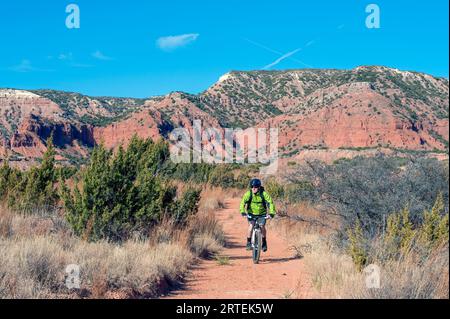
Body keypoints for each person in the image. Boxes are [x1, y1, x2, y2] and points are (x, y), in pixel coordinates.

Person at [239, 178, 276, 252]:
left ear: (259, 187)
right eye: (252, 187)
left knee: (262, 226)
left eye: (255, 187)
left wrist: (271, 213)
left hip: (262, 214)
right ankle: (249, 242)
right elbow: (242, 203)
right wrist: (243, 212)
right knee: (251, 225)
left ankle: (264, 242)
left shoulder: (264, 194)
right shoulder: (248, 194)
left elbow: (270, 203)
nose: (253, 188)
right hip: (251, 214)